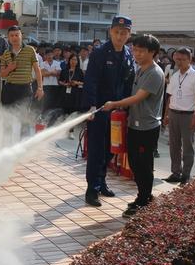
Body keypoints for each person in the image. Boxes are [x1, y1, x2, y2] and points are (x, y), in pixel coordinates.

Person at [103, 34, 164, 218]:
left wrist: (115, 103)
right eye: (135, 49)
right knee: (136, 165)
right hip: (135, 125)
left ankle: (144, 200)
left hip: (147, 127)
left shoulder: (154, 73)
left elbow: (139, 97)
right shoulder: (141, 69)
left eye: (140, 50)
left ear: (152, 52)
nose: (136, 53)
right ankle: (144, 196)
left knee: (144, 165)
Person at [82, 15, 135, 207]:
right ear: (110, 31)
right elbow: (91, 80)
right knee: (97, 149)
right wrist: (91, 106)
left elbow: (129, 82)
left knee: (110, 148)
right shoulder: (100, 53)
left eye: (124, 33)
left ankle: (102, 181)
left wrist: (127, 106)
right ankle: (92, 190)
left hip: (118, 111)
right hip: (100, 108)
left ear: (129, 34)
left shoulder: (128, 55)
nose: (120, 36)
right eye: (116, 32)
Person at [163, 47, 195, 185]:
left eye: (183, 59)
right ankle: (176, 172)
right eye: (177, 59)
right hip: (174, 113)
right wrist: (166, 114)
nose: (179, 62)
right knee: (174, 145)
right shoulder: (174, 76)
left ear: (190, 60)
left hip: (188, 115)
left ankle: (186, 175)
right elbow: (170, 97)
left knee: (187, 146)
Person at [0, 25, 44, 106]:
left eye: (17, 35)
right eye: (11, 35)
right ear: (8, 38)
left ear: (21, 36)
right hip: (9, 88)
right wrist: (9, 68)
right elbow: (2, 74)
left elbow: (37, 70)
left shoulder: (30, 50)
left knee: (23, 116)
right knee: (7, 115)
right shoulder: (6, 53)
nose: (14, 38)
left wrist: (40, 88)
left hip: (25, 88)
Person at [59, 53, 84, 139]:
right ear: (69, 60)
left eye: (75, 60)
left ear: (77, 61)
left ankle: (71, 131)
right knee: (65, 113)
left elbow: (83, 82)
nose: (74, 61)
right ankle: (64, 130)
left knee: (73, 113)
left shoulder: (79, 71)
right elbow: (60, 81)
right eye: (72, 59)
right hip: (65, 94)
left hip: (75, 94)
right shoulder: (64, 70)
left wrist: (76, 83)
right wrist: (65, 84)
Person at [40, 48, 62, 113]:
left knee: (54, 102)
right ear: (45, 56)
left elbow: (58, 73)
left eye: (50, 55)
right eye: (47, 55)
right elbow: (43, 74)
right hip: (45, 85)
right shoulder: (42, 63)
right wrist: (53, 72)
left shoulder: (57, 63)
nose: (49, 56)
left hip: (55, 85)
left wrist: (48, 72)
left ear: (53, 55)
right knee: (46, 102)